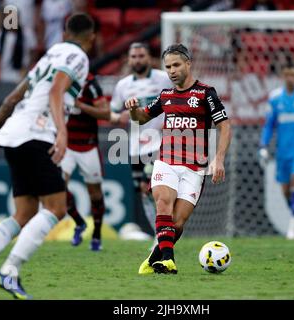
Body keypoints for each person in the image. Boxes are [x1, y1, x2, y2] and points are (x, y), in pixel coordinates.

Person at [0, 13, 95, 299]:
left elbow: (11, 98)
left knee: (24, 213)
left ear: (65, 31)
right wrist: (62, 133)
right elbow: (56, 91)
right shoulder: (78, 56)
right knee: (56, 208)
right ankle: (8, 273)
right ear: (91, 38)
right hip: (36, 134)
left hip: (13, 135)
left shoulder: (50, 54)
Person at [125, 44, 232, 274]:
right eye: (168, 67)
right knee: (162, 201)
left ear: (188, 64)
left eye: (176, 65)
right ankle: (168, 260)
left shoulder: (205, 93)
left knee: (176, 222)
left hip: (195, 167)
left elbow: (224, 126)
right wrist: (134, 110)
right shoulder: (165, 96)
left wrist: (219, 159)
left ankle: (155, 258)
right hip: (166, 161)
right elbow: (142, 118)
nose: (172, 71)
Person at [110, 42, 172, 237]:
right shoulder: (123, 85)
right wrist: (117, 117)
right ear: (129, 59)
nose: (137, 60)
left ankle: (165, 232)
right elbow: (112, 111)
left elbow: (179, 99)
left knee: (159, 190)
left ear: (149, 58)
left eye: (141, 55)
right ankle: (158, 234)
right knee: (144, 192)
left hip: (161, 144)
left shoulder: (163, 79)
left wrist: (170, 123)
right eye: (134, 56)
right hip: (137, 147)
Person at [258, 62, 294, 239]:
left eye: (293, 75)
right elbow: (269, 126)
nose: (290, 78)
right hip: (283, 151)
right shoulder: (274, 98)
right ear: (282, 76)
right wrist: (263, 146)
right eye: (287, 74)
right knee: (285, 190)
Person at [61, 71, 110, 250]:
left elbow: (105, 113)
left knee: (95, 195)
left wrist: (81, 105)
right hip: (66, 146)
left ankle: (96, 234)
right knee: (58, 187)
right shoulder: (59, 81)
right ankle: (79, 222)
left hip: (88, 147)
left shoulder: (90, 85)